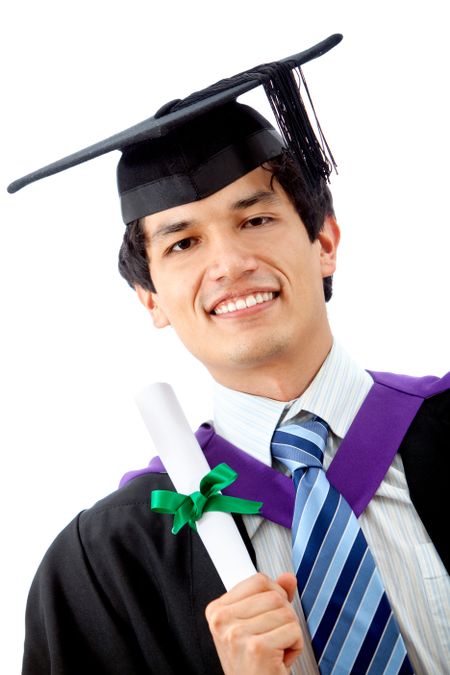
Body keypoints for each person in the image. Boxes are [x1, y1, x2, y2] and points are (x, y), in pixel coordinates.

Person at [9, 34, 449, 675]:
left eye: (255, 220)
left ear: (324, 241)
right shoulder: (105, 564)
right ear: (151, 299)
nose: (229, 264)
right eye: (182, 243)